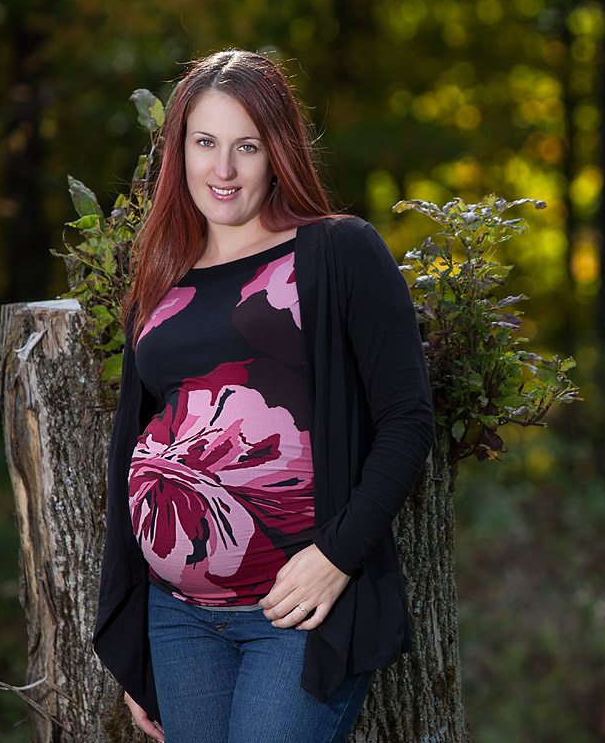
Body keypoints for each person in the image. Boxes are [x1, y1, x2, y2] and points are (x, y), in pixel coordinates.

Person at [92, 49, 435, 742]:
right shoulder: (161, 278)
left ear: (277, 151)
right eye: (206, 143)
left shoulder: (338, 252)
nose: (223, 170)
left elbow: (406, 420)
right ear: (179, 151)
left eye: (245, 146)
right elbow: (135, 441)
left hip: (296, 609)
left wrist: (337, 554)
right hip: (179, 617)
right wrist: (136, 641)